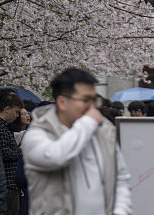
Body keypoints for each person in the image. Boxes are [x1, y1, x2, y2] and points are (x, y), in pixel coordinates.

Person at [21, 67, 131, 215]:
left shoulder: (104, 131)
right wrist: (87, 123)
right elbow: (56, 157)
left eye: (94, 100)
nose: (92, 107)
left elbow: (121, 178)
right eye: (86, 100)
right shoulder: (37, 134)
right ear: (62, 102)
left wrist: (120, 211)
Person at [0, 89, 24, 215]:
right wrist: (21, 152)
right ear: (7, 109)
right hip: (6, 184)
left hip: (8, 183)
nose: (17, 116)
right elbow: (4, 153)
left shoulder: (1, 126)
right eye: (16, 112)